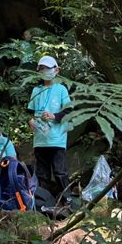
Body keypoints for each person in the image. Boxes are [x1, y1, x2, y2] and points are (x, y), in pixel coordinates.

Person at [27, 55, 72, 201]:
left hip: (57, 138)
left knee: (59, 171)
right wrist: (30, 121)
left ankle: (67, 199)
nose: (44, 71)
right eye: (41, 68)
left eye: (47, 68)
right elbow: (29, 112)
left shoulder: (61, 90)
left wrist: (54, 116)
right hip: (40, 139)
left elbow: (69, 111)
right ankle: (43, 201)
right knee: (42, 173)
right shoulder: (36, 90)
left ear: (56, 70)